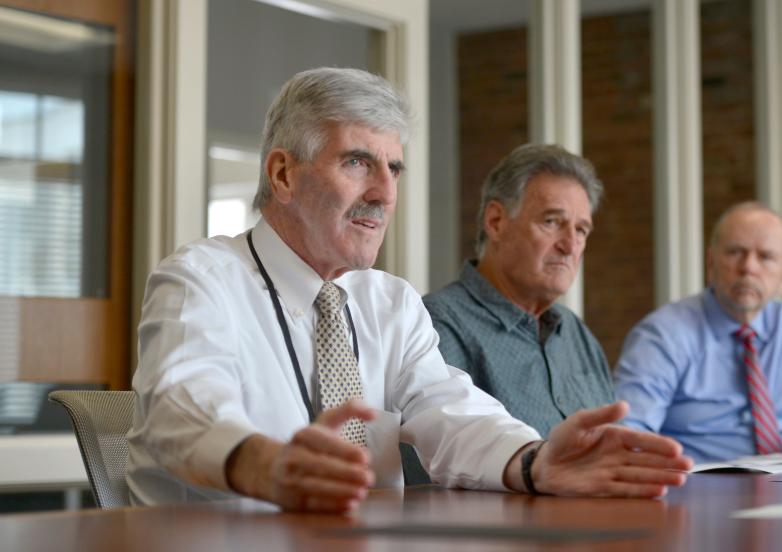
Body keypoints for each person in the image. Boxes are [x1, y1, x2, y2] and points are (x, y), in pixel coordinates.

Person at [127, 67, 692, 512]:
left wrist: (533, 462)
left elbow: (453, 413)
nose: (384, 193)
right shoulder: (201, 278)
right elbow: (180, 404)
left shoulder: (389, 302)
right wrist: (262, 465)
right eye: (357, 162)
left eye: (394, 169)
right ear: (282, 175)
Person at [614, 201, 782, 463]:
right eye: (735, 252)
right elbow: (628, 435)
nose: (749, 267)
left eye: (766, 257)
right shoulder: (662, 334)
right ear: (711, 262)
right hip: (697, 489)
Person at [424, 144, 614, 438]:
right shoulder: (437, 326)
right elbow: (435, 466)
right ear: (496, 222)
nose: (570, 246)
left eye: (581, 230)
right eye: (552, 222)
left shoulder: (576, 334)